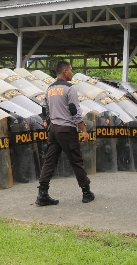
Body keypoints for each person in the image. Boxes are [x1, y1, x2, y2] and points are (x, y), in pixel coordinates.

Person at [35, 60, 94, 206]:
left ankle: (42, 194)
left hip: (53, 129)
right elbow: (75, 112)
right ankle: (86, 192)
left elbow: (45, 110)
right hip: (66, 129)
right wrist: (84, 130)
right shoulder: (69, 88)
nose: (72, 73)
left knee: (49, 161)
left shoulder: (49, 89)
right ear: (65, 71)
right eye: (71, 70)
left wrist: (52, 123)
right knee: (76, 160)